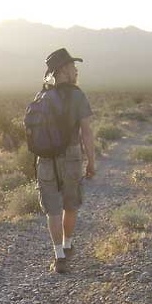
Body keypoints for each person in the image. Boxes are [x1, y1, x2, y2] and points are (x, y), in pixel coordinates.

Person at [36, 47, 95, 274]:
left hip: (45, 159)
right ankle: (68, 245)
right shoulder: (77, 95)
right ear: (62, 70)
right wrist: (91, 161)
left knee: (53, 209)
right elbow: (86, 132)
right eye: (72, 66)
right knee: (70, 204)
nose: (76, 70)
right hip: (71, 156)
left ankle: (59, 255)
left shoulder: (42, 95)